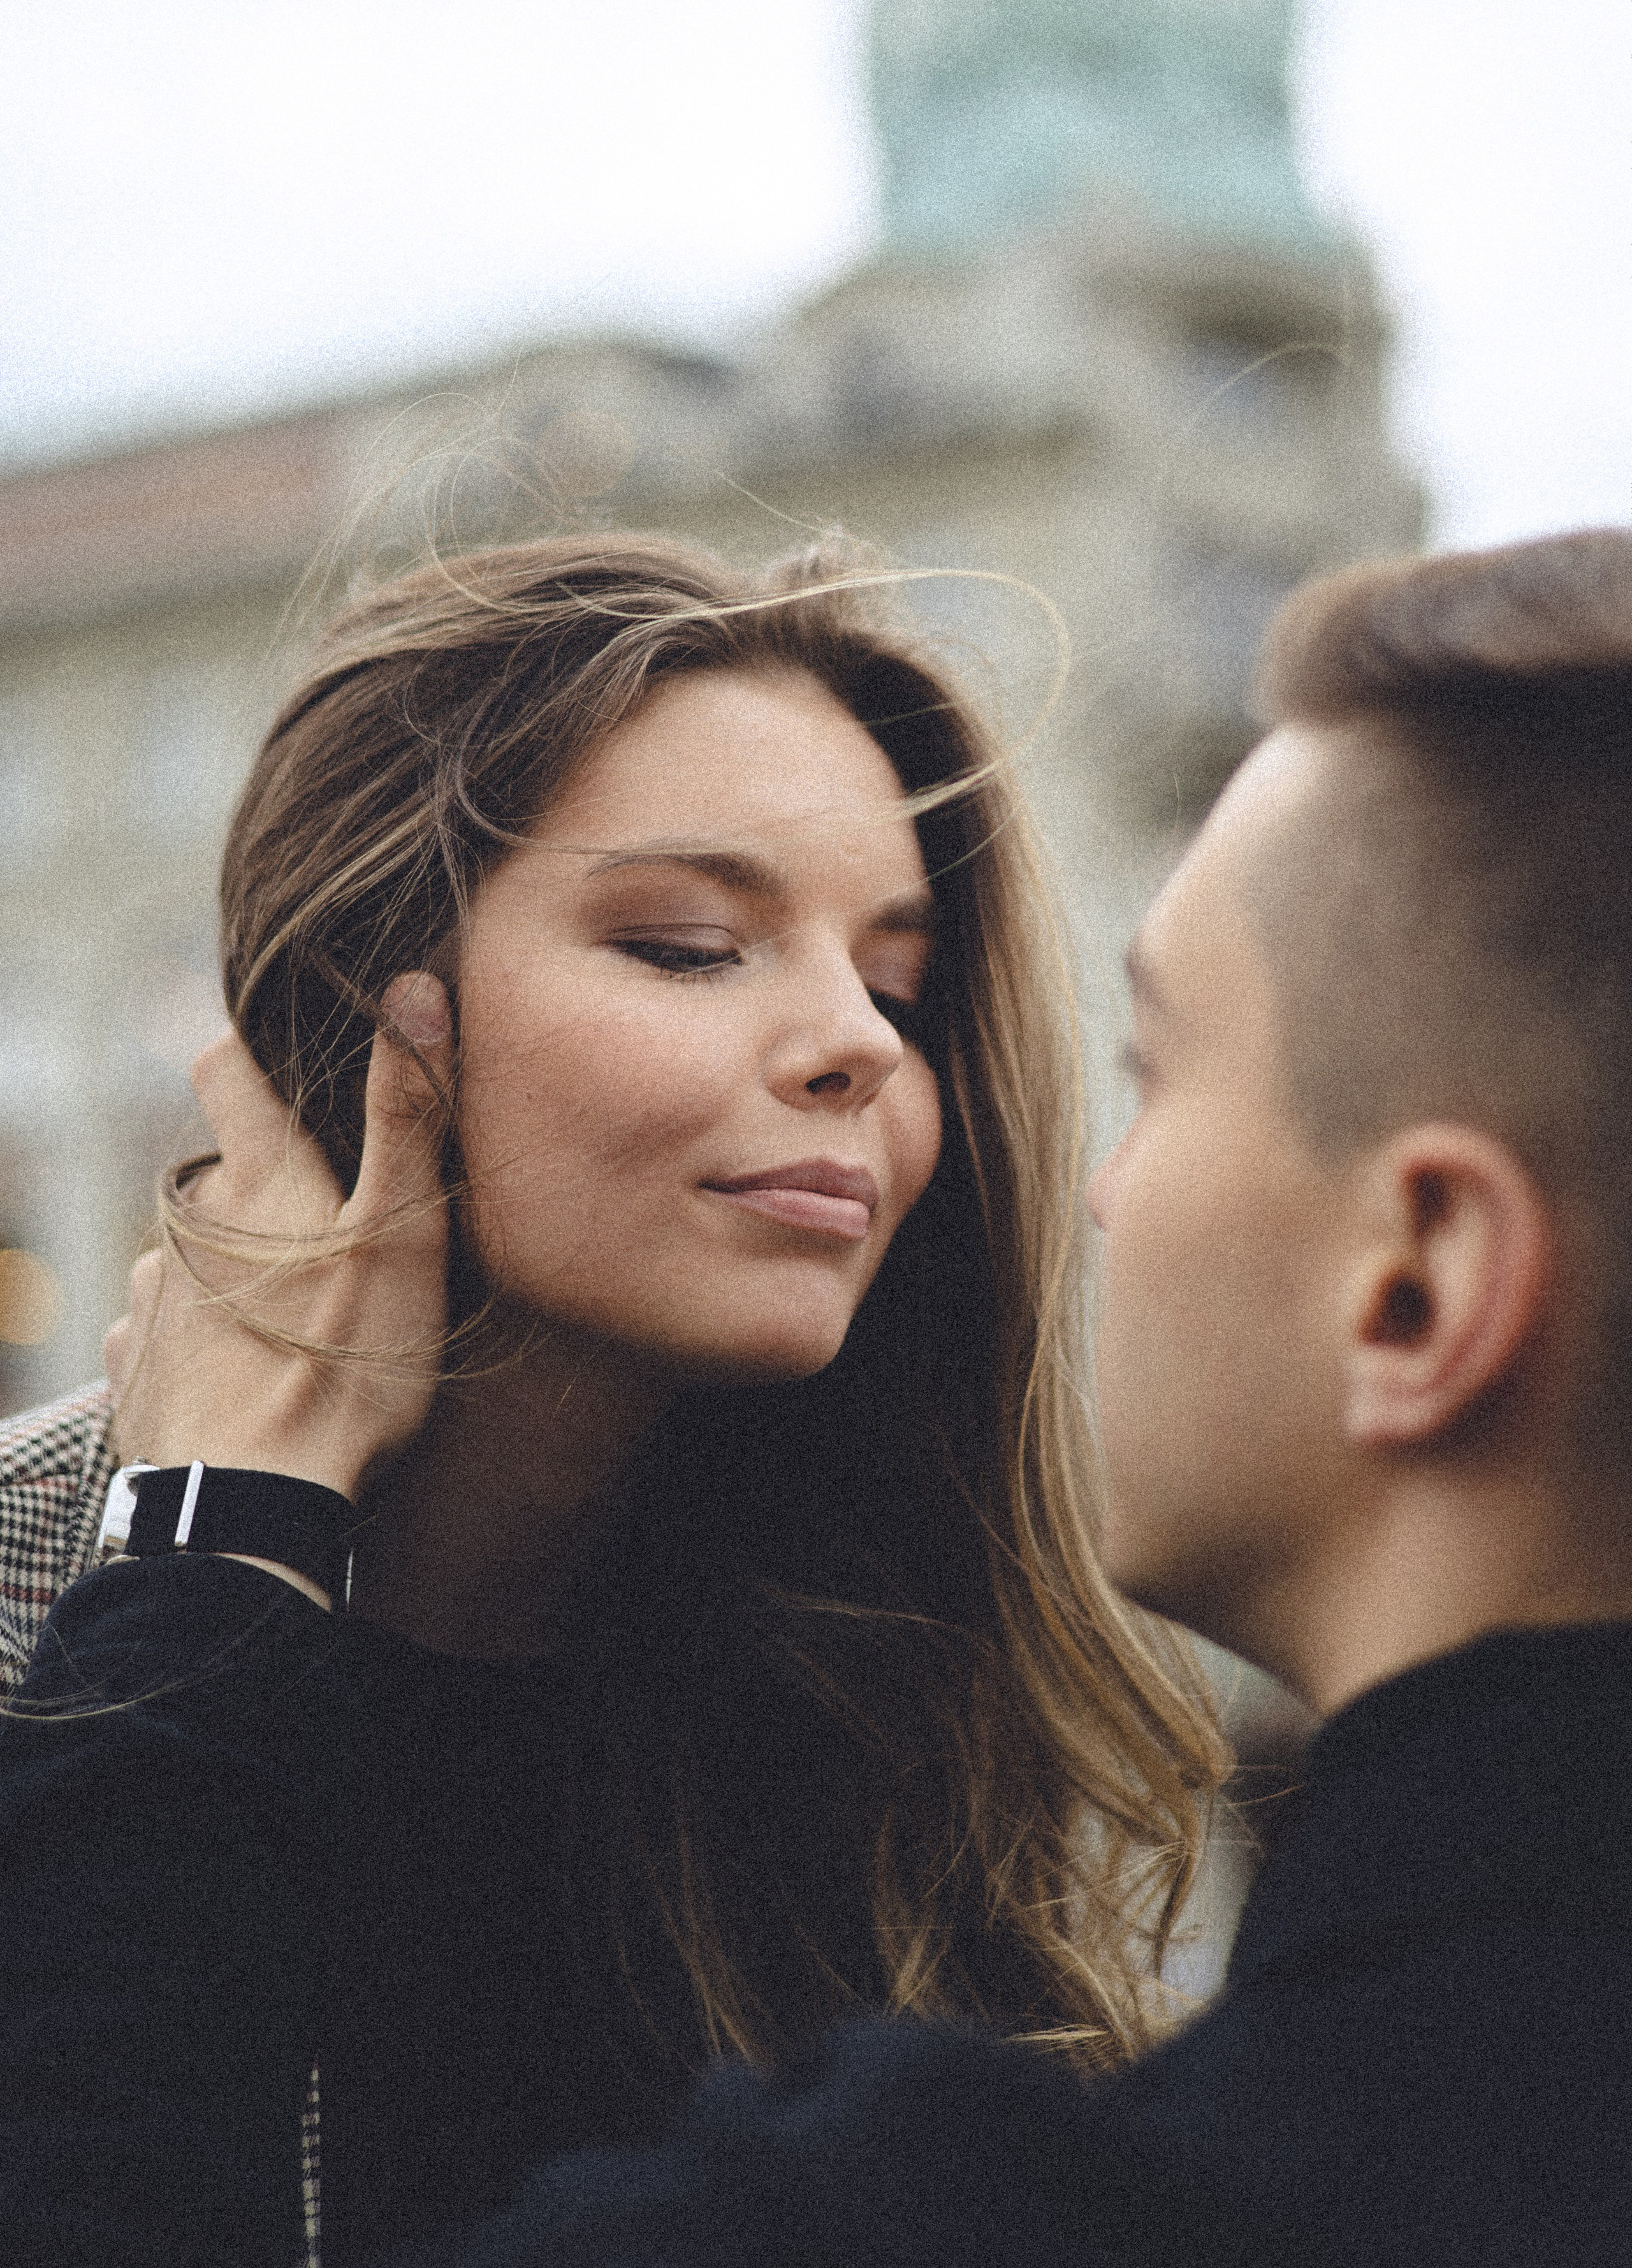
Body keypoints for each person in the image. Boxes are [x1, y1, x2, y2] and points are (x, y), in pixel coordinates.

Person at [31, 524, 1632, 2268]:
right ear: (357, 1022)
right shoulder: (65, 1596)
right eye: (689, 942)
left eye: (897, 984)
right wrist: (201, 1556)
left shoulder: (900, 1705)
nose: (863, 1045)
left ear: (1429, 1282)